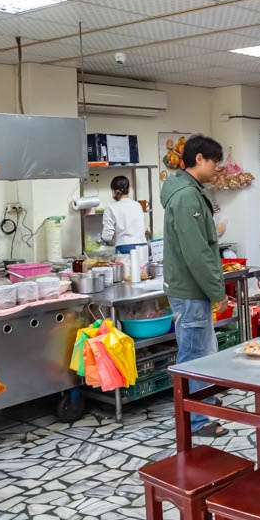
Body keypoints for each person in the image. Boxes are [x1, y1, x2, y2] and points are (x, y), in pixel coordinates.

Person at [161, 134, 229, 438]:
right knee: (194, 355)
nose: (218, 168)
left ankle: (204, 409)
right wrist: (218, 293)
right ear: (199, 159)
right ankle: (197, 421)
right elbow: (197, 251)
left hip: (190, 289)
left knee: (202, 351)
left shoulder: (187, 191)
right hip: (191, 291)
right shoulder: (187, 196)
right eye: (215, 161)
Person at [100, 176, 148, 255]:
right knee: (142, 267)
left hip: (125, 247)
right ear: (128, 189)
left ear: (114, 191)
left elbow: (107, 235)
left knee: (126, 267)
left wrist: (102, 239)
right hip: (142, 245)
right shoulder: (137, 205)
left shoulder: (111, 208)